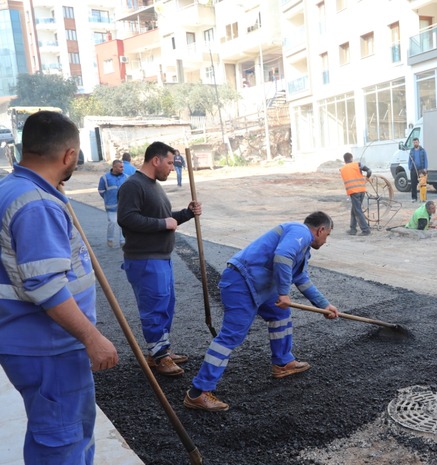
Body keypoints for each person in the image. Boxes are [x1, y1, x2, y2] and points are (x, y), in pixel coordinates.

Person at [0, 111, 120, 465]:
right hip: (44, 343)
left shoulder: (20, 188)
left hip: (49, 342)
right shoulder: (34, 204)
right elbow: (46, 287)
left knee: (76, 421)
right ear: (69, 154)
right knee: (58, 437)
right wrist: (93, 337)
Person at [183, 211, 339, 411]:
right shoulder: (300, 231)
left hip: (260, 286)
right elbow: (282, 256)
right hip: (241, 283)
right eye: (328, 235)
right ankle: (197, 393)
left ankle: (283, 363)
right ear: (321, 230)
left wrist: (324, 305)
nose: (326, 241)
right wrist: (283, 293)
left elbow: (301, 279)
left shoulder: (303, 248)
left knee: (280, 315)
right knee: (230, 337)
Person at [117, 141, 201, 377]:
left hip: (160, 257)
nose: (172, 168)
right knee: (154, 308)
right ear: (155, 160)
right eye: (169, 163)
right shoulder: (133, 185)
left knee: (165, 305)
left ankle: (161, 350)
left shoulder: (153, 185)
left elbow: (165, 218)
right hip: (145, 259)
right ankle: (159, 356)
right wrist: (163, 223)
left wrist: (186, 214)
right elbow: (126, 218)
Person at [98, 159, 128, 248]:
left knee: (122, 223)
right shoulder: (105, 178)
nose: (122, 168)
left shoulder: (126, 177)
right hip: (111, 206)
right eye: (120, 167)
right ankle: (110, 239)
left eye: (123, 167)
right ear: (114, 167)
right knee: (112, 222)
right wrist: (108, 198)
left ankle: (122, 241)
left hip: (123, 206)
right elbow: (101, 191)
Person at [340, 152, 371, 236]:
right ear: (351, 158)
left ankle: (365, 230)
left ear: (344, 160)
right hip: (362, 189)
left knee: (357, 210)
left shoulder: (342, 169)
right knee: (354, 209)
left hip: (353, 192)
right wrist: (367, 178)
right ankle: (353, 229)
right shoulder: (358, 164)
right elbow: (369, 171)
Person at [408, 137, 427, 202]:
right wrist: (409, 167)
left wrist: (425, 168)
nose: (415, 143)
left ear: (418, 142)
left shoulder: (422, 150)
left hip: (421, 169)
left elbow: (425, 159)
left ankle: (423, 198)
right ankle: (414, 198)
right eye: (414, 142)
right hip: (413, 169)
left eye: (416, 142)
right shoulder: (412, 151)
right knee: (413, 184)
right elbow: (409, 160)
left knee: (422, 184)